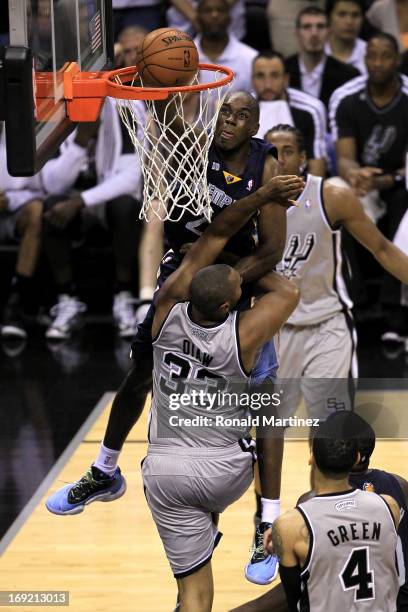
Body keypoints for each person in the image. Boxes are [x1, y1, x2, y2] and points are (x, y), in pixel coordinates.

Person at [45, 91, 304, 566]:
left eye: (242, 115)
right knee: (138, 375)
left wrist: (219, 280)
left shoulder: (265, 167)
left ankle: (267, 518)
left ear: (255, 127)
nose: (229, 120)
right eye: (225, 110)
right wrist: (143, 81)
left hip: (230, 279)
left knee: (265, 403)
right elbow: (164, 117)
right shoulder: (194, 143)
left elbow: (269, 252)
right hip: (182, 273)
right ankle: (105, 470)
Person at [242, 123, 408, 587]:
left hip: (328, 327)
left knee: (332, 437)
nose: (281, 159)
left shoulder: (331, 197)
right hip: (275, 329)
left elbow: (379, 247)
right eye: (272, 153)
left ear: (305, 159)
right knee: (266, 436)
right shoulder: (250, 204)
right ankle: (265, 525)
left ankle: (333, 525)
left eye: (289, 151)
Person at [138, 178, 299, 612]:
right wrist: (246, 260)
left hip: (166, 471)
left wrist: (216, 256)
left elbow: (211, 236)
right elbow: (287, 291)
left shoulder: (165, 310)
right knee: (268, 411)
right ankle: (262, 518)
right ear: (230, 307)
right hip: (224, 472)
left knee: (193, 590)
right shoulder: (244, 335)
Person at [231, 412, 407, 612]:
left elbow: (295, 597)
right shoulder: (391, 502)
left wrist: (284, 534)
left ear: (312, 456)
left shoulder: (298, 518)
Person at [40, 98, 146, 340]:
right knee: (50, 205)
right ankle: (66, 300)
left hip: (103, 201)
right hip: (70, 201)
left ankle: (123, 296)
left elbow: (131, 178)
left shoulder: (124, 110)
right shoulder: (52, 111)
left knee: (126, 205)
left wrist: (81, 201)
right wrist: (80, 141)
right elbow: (52, 183)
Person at [329, 32, 408, 345]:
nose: (377, 63)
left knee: (402, 204)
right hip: (366, 183)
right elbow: (345, 158)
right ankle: (356, 303)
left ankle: (394, 312)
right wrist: (356, 174)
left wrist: (391, 179)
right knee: (337, 198)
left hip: (401, 181)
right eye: (371, 56)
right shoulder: (349, 100)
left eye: (385, 56)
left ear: (397, 60)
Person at [0, 125, 45, 342]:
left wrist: (10, 200)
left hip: (16, 208)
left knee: (36, 210)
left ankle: (16, 303)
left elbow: (40, 188)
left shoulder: (24, 126)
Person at [251, 51, 327, 177]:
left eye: (274, 76)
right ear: (252, 80)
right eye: (260, 76)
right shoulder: (244, 109)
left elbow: (316, 165)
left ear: (286, 79)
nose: (267, 84)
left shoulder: (311, 109)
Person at [285, 6, 360, 108]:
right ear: (297, 33)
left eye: (320, 27)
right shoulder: (283, 70)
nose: (314, 33)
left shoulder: (348, 76)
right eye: (307, 27)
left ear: (329, 32)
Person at [195, 0, 258, 91]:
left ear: (229, 18)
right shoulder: (184, 58)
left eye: (220, 10)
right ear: (197, 18)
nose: (214, 15)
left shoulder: (251, 58)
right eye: (207, 11)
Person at [325, 0, 367, 74]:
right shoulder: (318, 53)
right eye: (342, 15)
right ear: (329, 18)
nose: (349, 22)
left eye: (355, 15)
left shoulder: (369, 53)